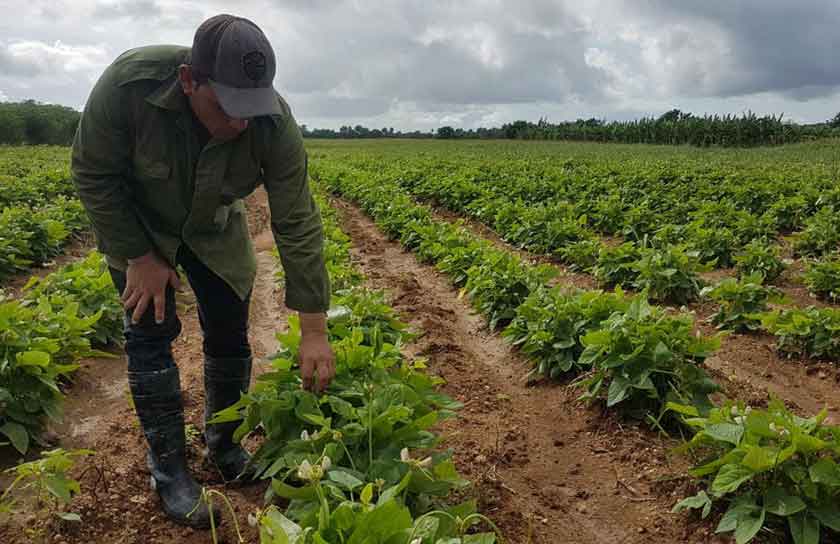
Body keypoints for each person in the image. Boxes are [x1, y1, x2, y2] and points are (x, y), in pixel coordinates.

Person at [70, 14, 335, 528]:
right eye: (226, 107)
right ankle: (169, 470)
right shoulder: (129, 85)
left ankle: (225, 446)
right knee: (148, 331)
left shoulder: (272, 122)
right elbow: (91, 173)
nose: (239, 123)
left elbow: (297, 219)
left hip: (214, 226)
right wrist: (140, 257)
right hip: (140, 225)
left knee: (230, 327)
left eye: (249, 109)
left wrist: (314, 327)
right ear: (190, 80)